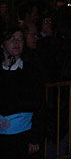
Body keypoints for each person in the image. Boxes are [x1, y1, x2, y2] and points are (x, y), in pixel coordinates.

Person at [0, 25, 45, 158]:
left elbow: (40, 106)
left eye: (20, 39)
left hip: (24, 136)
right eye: (12, 39)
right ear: (2, 44)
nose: (17, 42)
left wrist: (35, 138)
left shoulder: (31, 71)